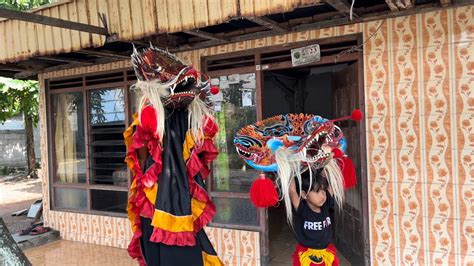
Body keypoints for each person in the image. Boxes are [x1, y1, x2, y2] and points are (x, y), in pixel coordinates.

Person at [289, 169, 339, 266]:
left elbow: (333, 183)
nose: (323, 195)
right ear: (304, 194)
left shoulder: (326, 204)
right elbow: (292, 191)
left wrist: (328, 166)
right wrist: (290, 169)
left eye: (324, 190)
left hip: (326, 252)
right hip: (306, 255)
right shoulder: (302, 209)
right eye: (317, 192)